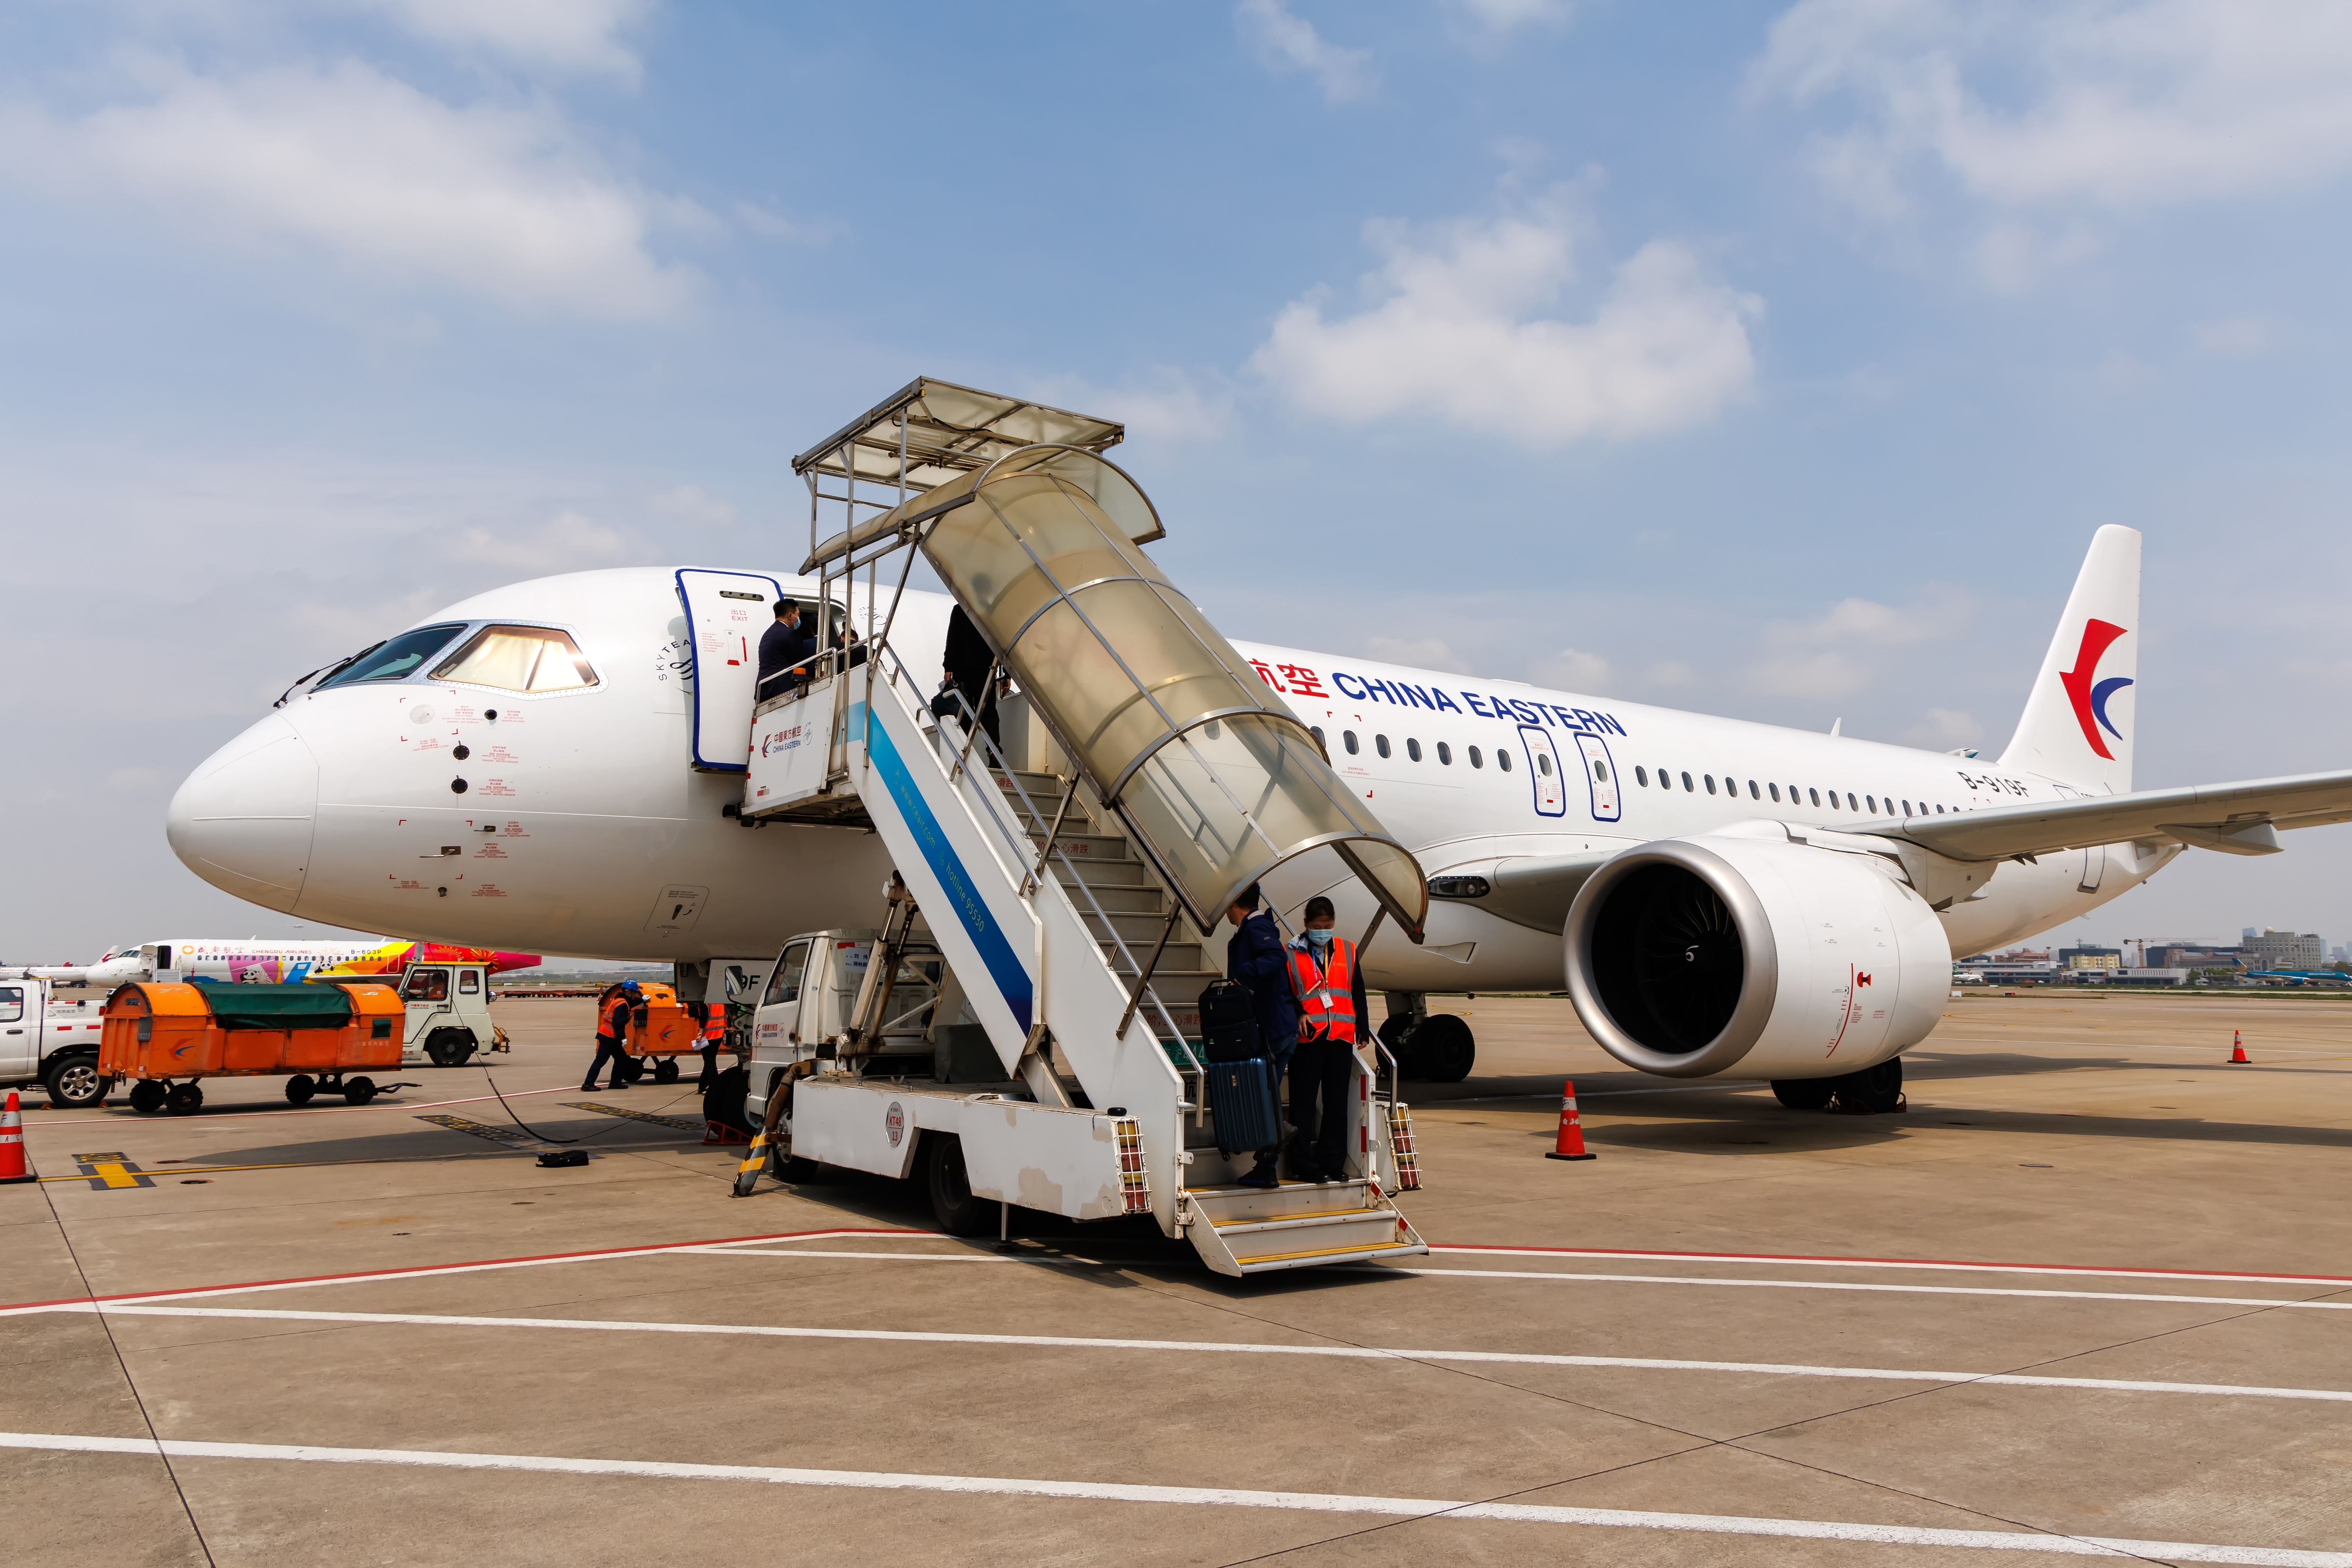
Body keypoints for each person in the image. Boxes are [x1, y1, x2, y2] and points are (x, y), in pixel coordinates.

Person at [1286, 895, 1368, 1182]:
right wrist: (1298, 1013)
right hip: (1308, 1038)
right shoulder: (1292, 953)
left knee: (1337, 1105)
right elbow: (1285, 992)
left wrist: (1363, 1027)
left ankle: (1333, 1164)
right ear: (1306, 924)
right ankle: (1303, 1165)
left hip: (1341, 1036)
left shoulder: (1347, 949)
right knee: (1303, 1105)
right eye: (1318, 925)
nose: (1324, 930)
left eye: (1329, 924)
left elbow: (1356, 989)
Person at [1224, 882, 1299, 1189]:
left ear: (1233, 903)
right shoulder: (1253, 928)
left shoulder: (1257, 927)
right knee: (1266, 1090)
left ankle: (1280, 1131)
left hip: (1272, 1028)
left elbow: (1276, 958)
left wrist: (1242, 978)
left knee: (1258, 1091)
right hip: (1279, 1026)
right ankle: (1266, 1168)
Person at [940, 603, 999, 748]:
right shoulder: (991, 612)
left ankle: (963, 749)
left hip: (963, 672)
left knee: (963, 713)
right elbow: (1001, 642)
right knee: (988, 713)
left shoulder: (960, 609)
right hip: (987, 672)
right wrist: (1008, 676)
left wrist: (948, 667)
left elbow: (952, 639)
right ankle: (994, 751)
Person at [582, 978, 642, 1092]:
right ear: (630, 993)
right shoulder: (622, 1004)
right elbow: (618, 1023)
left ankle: (616, 1083)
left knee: (621, 1059)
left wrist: (641, 1000)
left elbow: (631, 1003)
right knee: (601, 1061)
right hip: (610, 1037)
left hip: (608, 1036)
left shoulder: (619, 999)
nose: (635, 995)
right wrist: (623, 1038)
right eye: (635, 993)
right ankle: (588, 1084)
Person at [756, 599, 815, 703]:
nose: (799, 619)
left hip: (764, 689)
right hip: (780, 690)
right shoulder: (789, 634)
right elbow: (802, 660)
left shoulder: (768, 633)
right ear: (791, 616)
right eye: (798, 615)